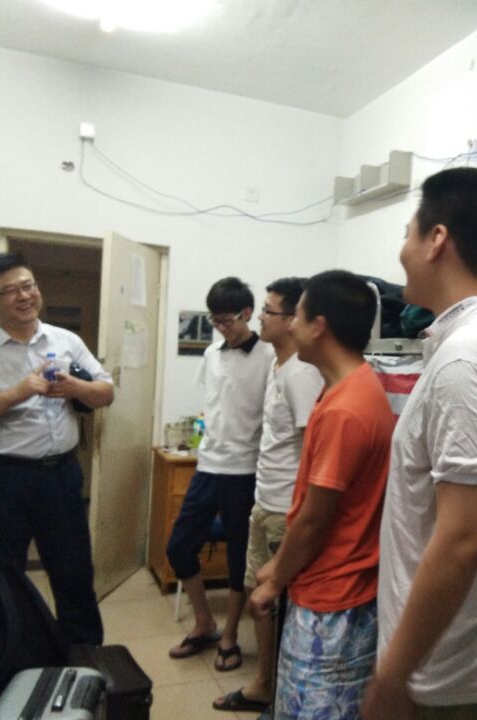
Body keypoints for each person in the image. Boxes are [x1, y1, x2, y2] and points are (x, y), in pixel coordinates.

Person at [362, 167, 477, 720]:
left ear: (437, 239)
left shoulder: (470, 357)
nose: (402, 250)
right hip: (466, 659)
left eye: (408, 232)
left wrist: (393, 675)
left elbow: (464, 538)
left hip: (449, 677)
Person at [0, 252, 114, 646]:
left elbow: (106, 391)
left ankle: (85, 656)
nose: (24, 296)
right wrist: (17, 393)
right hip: (0, 479)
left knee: (74, 573)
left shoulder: (66, 341)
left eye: (28, 285)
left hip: (61, 474)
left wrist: (76, 387)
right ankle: (11, 659)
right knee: (2, 579)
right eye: (10, 290)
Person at [249, 269, 394, 720]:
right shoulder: (353, 387)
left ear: (319, 326)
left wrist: (275, 578)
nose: (290, 325)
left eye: (298, 316)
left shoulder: (346, 409)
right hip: (340, 588)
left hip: (333, 597)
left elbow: (315, 518)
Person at [214, 277, 323, 713]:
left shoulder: (302, 374)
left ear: (293, 319)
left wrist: (299, 516)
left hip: (285, 511)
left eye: (268, 310)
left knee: (279, 605)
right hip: (265, 502)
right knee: (257, 596)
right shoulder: (279, 366)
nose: (259, 317)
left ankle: (284, 693)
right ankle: (264, 684)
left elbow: (314, 452)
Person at [167, 277, 272, 671]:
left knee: (239, 560)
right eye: (215, 320)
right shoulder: (211, 353)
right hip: (208, 466)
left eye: (227, 320)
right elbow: (213, 405)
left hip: (245, 471)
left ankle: (229, 635)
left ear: (247, 314)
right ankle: (204, 622)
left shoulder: (269, 355)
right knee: (179, 547)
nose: (221, 328)